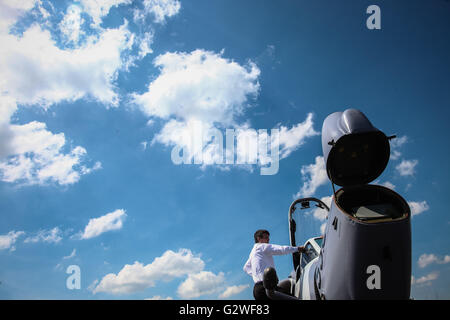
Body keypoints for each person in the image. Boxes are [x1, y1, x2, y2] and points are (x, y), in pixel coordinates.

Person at [243, 229, 305, 300]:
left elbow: (246, 268)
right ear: (259, 239)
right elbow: (281, 249)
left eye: (268, 238)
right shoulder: (261, 247)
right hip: (266, 288)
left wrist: (257, 274)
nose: (268, 240)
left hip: (257, 290)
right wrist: (297, 249)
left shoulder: (253, 252)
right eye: (266, 237)